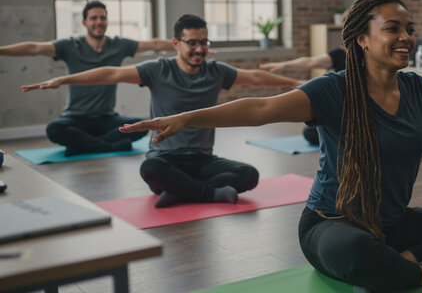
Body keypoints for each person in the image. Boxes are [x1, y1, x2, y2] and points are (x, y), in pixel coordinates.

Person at [118, 0, 422, 291]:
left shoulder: (417, 90)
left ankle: (402, 267)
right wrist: (184, 116)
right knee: (353, 251)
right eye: (393, 28)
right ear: (362, 39)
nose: (406, 37)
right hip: (331, 222)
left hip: (390, 223)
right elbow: (260, 109)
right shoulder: (333, 90)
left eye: (409, 29)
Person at [23, 14, 302, 208]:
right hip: (166, 160)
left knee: (249, 174)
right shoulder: (158, 70)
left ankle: (182, 193)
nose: (199, 49)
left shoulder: (216, 72)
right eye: (192, 43)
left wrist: (297, 83)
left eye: (204, 43)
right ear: (176, 44)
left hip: (203, 160)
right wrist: (64, 79)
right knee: (150, 168)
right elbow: (111, 73)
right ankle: (208, 192)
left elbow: (254, 78)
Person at [0, 1, 174, 156]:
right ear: (84, 22)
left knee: (141, 125)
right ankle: (109, 146)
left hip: (106, 118)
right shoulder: (70, 46)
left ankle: (83, 146)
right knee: (54, 129)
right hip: (76, 119)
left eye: (102, 18)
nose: (99, 22)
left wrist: (191, 46)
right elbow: (34, 48)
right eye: (93, 18)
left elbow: (156, 44)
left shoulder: (118, 45)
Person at [260, 46, 347, 145]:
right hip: (339, 112)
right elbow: (310, 61)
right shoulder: (340, 54)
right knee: (310, 133)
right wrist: (284, 65)